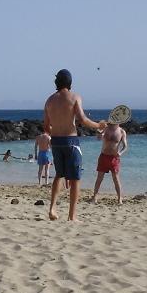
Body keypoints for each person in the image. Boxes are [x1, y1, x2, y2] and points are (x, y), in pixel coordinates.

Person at [44, 68, 106, 221]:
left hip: (56, 142)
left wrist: (55, 134)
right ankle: (72, 216)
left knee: (59, 175)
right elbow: (83, 119)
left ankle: (52, 208)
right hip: (71, 141)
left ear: (56, 82)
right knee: (75, 178)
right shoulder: (74, 97)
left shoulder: (49, 100)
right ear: (70, 82)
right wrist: (98, 125)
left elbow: (46, 127)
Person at [92, 122, 128, 204]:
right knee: (99, 178)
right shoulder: (106, 129)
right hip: (103, 156)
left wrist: (120, 153)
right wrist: (99, 132)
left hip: (114, 158)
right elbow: (98, 138)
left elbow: (125, 146)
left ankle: (119, 199)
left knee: (116, 178)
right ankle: (95, 197)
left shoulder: (122, 131)